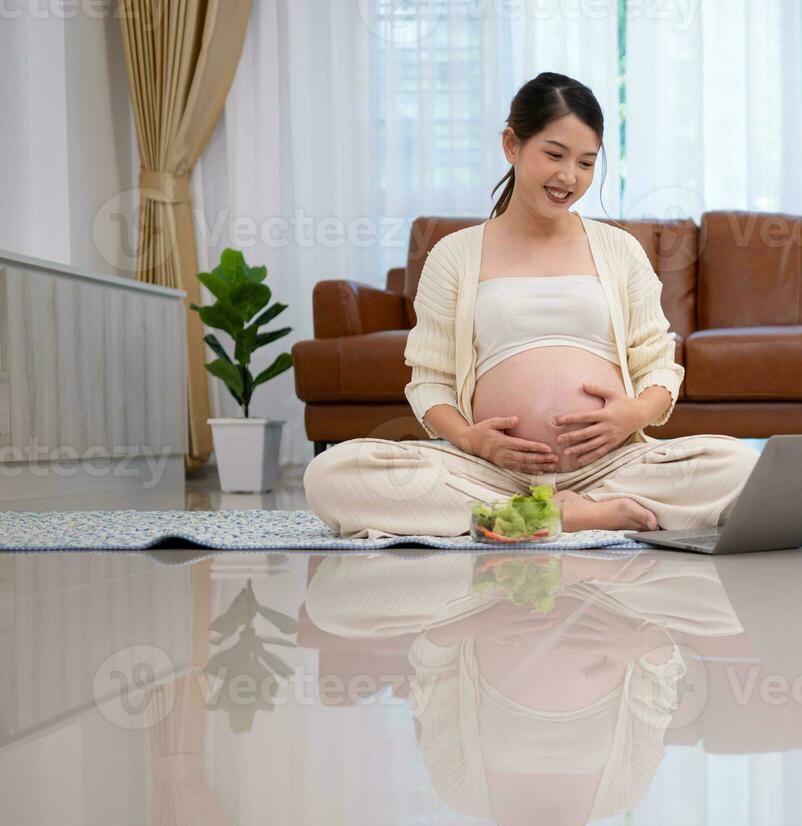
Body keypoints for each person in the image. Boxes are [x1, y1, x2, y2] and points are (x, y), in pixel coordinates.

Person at [304, 71, 759, 539]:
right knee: (331, 475)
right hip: (490, 473)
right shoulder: (454, 254)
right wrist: (469, 439)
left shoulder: (620, 250)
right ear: (511, 144)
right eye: (554, 155)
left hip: (611, 466)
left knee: (743, 467)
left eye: (586, 162)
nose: (569, 177)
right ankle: (559, 514)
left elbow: (659, 365)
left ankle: (523, 516)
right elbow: (430, 382)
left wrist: (634, 414)